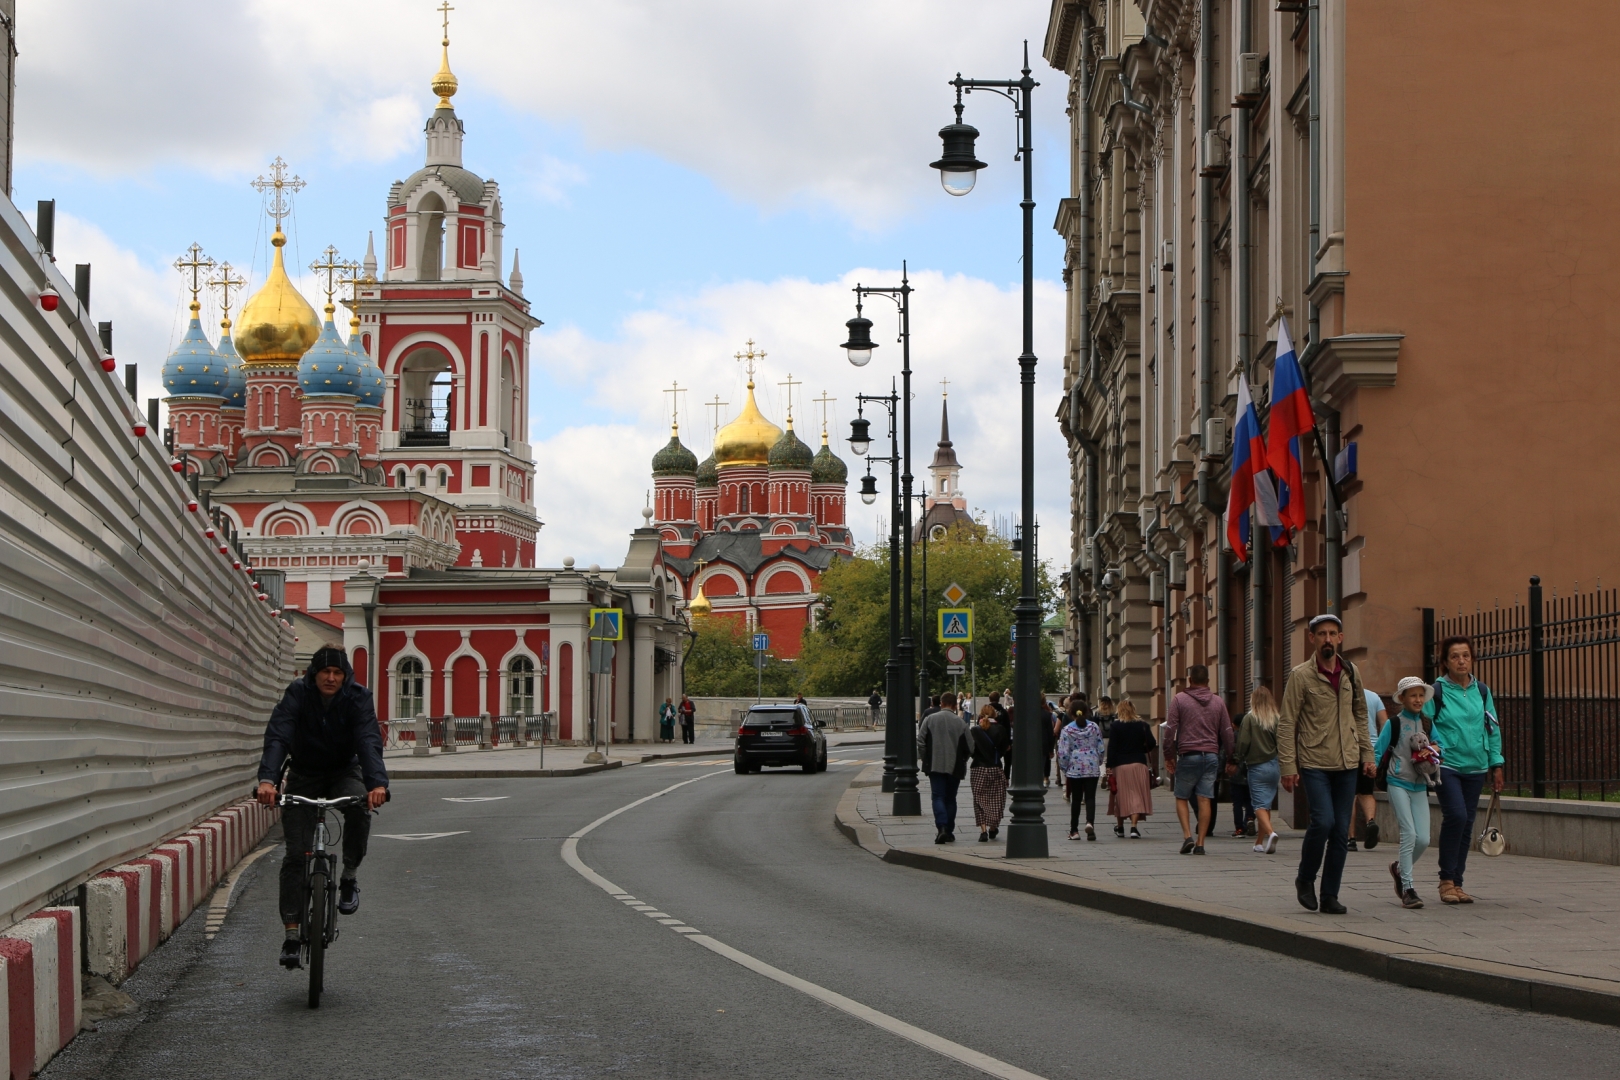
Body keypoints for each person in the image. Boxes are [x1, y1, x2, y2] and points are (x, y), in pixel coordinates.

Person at [256, 646, 388, 969]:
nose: (331, 678)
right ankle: (290, 934)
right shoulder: (297, 695)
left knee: (359, 808)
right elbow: (279, 735)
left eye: (337, 673)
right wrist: (268, 781)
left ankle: (349, 878)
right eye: (325, 672)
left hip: (344, 771)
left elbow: (368, 740)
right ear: (313, 674)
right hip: (303, 773)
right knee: (295, 854)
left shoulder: (358, 698)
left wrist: (377, 784)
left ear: (345, 676)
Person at [1279, 614, 1374, 915]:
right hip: (1314, 760)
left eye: (1333, 633)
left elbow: (1361, 715)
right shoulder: (1301, 675)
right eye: (1322, 634)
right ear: (1312, 638)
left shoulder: (1350, 672)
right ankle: (1305, 879)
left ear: (1341, 638)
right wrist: (1287, 767)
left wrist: (1367, 756)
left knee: (1341, 833)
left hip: (1347, 761)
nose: (1328, 639)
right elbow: (1287, 723)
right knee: (1323, 822)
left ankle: (1330, 894)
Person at [1423, 636, 1505, 905]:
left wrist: (1496, 763)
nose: (1461, 661)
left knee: (1467, 822)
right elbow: (1422, 722)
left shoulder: (1482, 690)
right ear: (1445, 662)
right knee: (1456, 816)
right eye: (1455, 656)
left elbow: (1491, 728)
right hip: (1448, 764)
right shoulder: (1437, 691)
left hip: (1476, 766)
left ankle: (1457, 882)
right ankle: (1446, 879)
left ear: (1472, 659)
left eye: (1466, 656)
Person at [1377, 677, 1440, 909]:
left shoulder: (1427, 722)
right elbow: (1379, 749)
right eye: (1412, 695)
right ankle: (1408, 889)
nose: (1418, 699)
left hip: (1420, 785)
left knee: (1424, 839)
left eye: (1421, 695)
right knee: (1409, 834)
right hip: (1397, 782)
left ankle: (1399, 869)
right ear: (1402, 698)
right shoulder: (1393, 724)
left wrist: (1433, 748)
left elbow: (1440, 743)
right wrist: (1371, 766)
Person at [1163, 665, 1234, 855]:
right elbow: (1227, 732)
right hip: (1211, 756)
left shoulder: (1179, 700)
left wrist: (1168, 755)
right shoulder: (1218, 702)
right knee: (1205, 799)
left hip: (1188, 755)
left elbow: (1170, 730)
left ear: (1190, 680)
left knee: (1182, 796)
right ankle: (1201, 843)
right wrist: (1231, 757)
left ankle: (1188, 836)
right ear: (1208, 681)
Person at [918, 690, 971, 843]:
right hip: (955, 766)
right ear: (955, 706)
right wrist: (963, 759)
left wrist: (926, 759)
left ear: (941, 704)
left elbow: (921, 741)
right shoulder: (961, 723)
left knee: (938, 796)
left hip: (935, 764)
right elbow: (970, 746)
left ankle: (941, 827)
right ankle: (949, 830)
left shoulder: (930, 720)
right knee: (951, 798)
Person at [1237, 684, 1283, 854]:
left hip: (1257, 766)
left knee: (1258, 805)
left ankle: (1271, 833)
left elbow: (1243, 743)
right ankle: (1259, 843)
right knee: (1266, 804)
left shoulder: (1249, 719)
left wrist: (1237, 758)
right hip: (1274, 765)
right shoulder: (1276, 718)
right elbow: (1282, 743)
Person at [1105, 699, 1156, 838]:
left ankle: (1120, 827)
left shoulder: (1115, 726)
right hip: (1139, 764)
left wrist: (1109, 766)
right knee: (1137, 795)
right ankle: (1134, 827)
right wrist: (1141, 750)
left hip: (1120, 765)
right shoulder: (1143, 725)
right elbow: (1152, 743)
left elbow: (1112, 748)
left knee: (1120, 796)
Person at [1349, 685, 1388, 851]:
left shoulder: (1341, 696)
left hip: (1347, 751)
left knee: (1348, 796)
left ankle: (1350, 839)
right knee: (1366, 792)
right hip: (1370, 751)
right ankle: (1370, 821)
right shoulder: (1373, 697)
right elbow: (1385, 723)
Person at [1058, 706, 1104, 840]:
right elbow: (1100, 747)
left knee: (1076, 799)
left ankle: (1074, 830)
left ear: (1071, 714)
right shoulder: (1094, 727)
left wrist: (1064, 768)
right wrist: (1098, 761)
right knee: (1090, 797)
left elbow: (1063, 752)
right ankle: (1090, 823)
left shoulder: (1067, 729)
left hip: (1075, 767)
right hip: (1091, 764)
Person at [968, 704, 1010, 841]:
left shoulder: (974, 730)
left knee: (979, 799)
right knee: (997, 799)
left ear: (981, 714)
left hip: (978, 768)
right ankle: (993, 827)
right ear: (995, 714)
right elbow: (1005, 748)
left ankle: (983, 830)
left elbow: (971, 750)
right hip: (995, 767)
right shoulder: (1001, 729)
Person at [1041, 698, 1061, 789]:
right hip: (1044, 742)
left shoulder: (1028, 714)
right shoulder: (1047, 715)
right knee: (1045, 761)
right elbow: (1050, 732)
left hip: (1031, 745)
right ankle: (1045, 778)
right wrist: (1051, 748)